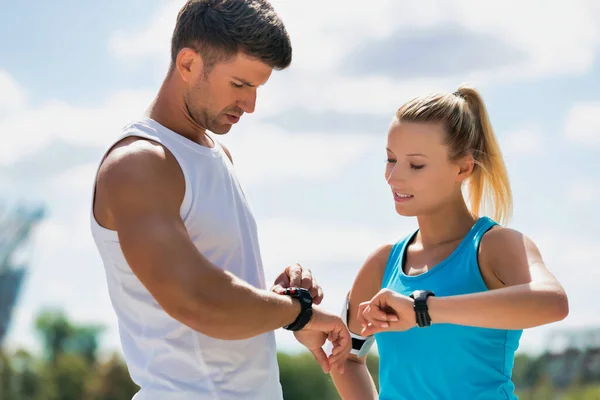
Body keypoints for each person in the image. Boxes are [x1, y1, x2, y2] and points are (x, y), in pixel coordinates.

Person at [89, 1, 350, 399]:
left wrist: (283, 298)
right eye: (239, 85)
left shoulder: (215, 154)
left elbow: (222, 286)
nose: (251, 104)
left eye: (257, 88)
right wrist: (299, 313)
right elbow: (200, 301)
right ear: (189, 64)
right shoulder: (139, 165)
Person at [330, 85, 569, 399]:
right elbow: (347, 357)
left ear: (463, 167)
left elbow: (553, 302)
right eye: (391, 160)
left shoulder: (494, 247)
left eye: (416, 165)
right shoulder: (382, 264)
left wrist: (422, 311)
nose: (394, 177)